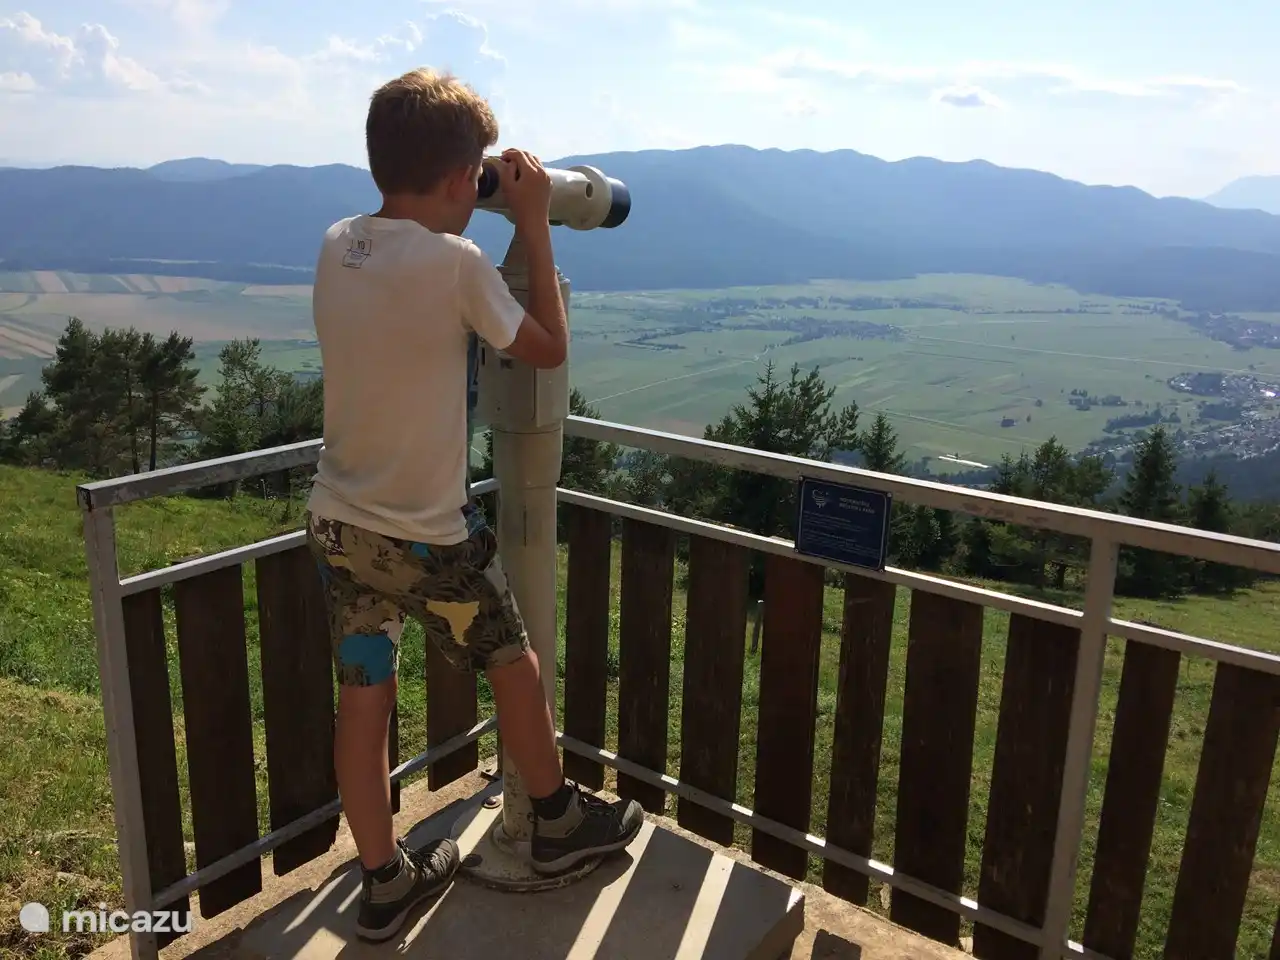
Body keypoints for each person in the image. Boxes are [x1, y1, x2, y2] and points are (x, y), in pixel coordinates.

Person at [303, 67, 643, 943]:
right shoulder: (457, 265)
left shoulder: (339, 241)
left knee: (364, 696)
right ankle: (558, 823)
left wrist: (479, 201)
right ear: (464, 178)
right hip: (428, 535)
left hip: (339, 523)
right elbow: (546, 347)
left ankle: (384, 881)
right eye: (476, 178)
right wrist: (531, 223)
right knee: (512, 662)